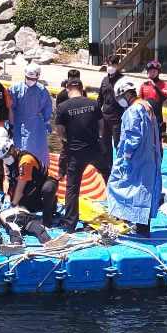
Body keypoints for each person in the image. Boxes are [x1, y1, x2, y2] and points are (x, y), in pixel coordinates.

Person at [107, 77, 162, 237]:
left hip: (137, 157)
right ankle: (141, 226)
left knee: (118, 184)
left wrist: (126, 156)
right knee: (143, 190)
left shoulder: (133, 111)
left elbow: (132, 136)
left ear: (125, 95)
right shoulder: (147, 106)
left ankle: (126, 219)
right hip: (149, 157)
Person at [55, 79, 106, 233]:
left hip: (76, 153)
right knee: (109, 177)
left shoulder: (63, 107)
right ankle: (120, 211)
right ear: (82, 89)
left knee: (72, 187)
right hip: (95, 149)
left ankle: (70, 223)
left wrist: (68, 139)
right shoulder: (94, 104)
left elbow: (59, 132)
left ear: (67, 90)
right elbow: (101, 127)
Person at [0, 136, 59, 226]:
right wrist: (7, 197)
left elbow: (20, 189)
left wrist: (13, 206)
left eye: (5, 156)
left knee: (47, 189)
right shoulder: (7, 161)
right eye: (2, 158)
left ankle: (49, 211)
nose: (4, 159)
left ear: (11, 150)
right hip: (30, 184)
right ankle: (39, 203)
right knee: (23, 206)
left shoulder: (25, 160)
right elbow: (7, 180)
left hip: (44, 181)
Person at [8, 63, 54, 167]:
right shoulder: (15, 88)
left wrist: (47, 121)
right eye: (29, 78)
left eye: (33, 79)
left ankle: (39, 170)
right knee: (18, 149)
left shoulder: (41, 90)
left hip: (36, 125)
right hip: (17, 123)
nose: (31, 81)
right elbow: (9, 107)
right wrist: (8, 123)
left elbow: (47, 105)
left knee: (38, 150)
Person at [97, 54, 126, 175]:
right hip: (105, 118)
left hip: (117, 119)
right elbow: (100, 98)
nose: (110, 67)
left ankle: (122, 168)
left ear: (117, 65)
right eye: (109, 64)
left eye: (113, 64)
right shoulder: (105, 80)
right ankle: (108, 168)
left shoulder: (123, 80)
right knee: (105, 145)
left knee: (119, 144)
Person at [56, 69, 82, 177]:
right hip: (67, 126)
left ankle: (77, 170)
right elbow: (59, 113)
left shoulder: (82, 93)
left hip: (79, 125)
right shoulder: (62, 95)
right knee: (65, 150)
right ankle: (62, 172)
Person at [139, 60, 167, 140]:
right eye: (150, 71)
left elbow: (164, 97)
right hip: (146, 117)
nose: (152, 73)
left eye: (154, 71)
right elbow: (140, 101)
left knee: (157, 141)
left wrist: (155, 87)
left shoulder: (164, 85)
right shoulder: (143, 85)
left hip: (157, 118)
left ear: (158, 72)